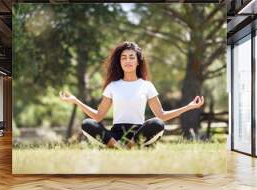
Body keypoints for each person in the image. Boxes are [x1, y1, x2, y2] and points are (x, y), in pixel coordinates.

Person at [59, 41, 204, 149]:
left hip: (138, 134)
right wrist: (75, 100)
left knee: (157, 123)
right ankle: (115, 146)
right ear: (119, 62)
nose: (127, 61)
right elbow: (98, 116)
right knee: (87, 123)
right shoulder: (112, 86)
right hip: (115, 134)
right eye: (124, 58)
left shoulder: (146, 85)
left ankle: (130, 146)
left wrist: (189, 107)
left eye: (131, 57)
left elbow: (162, 115)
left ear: (137, 61)